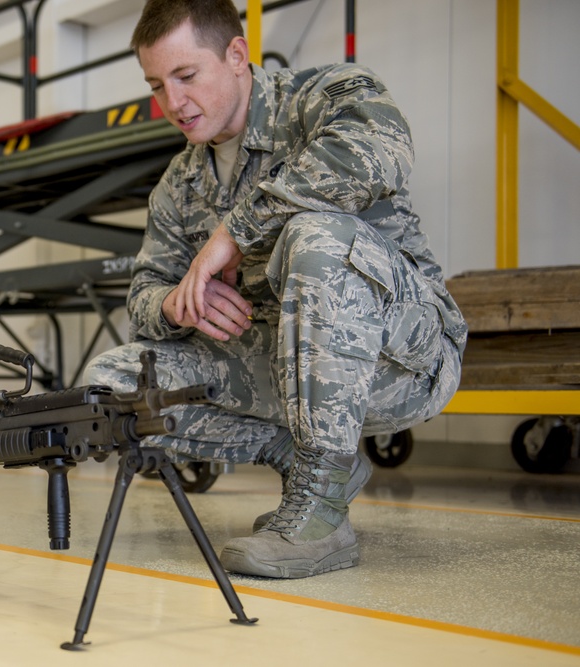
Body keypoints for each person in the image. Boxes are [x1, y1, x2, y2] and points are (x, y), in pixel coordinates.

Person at [84, 0, 465, 579]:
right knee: (111, 384)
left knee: (315, 237)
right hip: (281, 369)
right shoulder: (179, 182)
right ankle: (303, 462)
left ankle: (321, 516)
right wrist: (177, 303)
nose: (173, 104)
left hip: (400, 361)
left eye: (186, 76)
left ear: (237, 55)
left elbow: (380, 150)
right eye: (157, 86)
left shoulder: (322, 96)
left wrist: (232, 235)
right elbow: (143, 293)